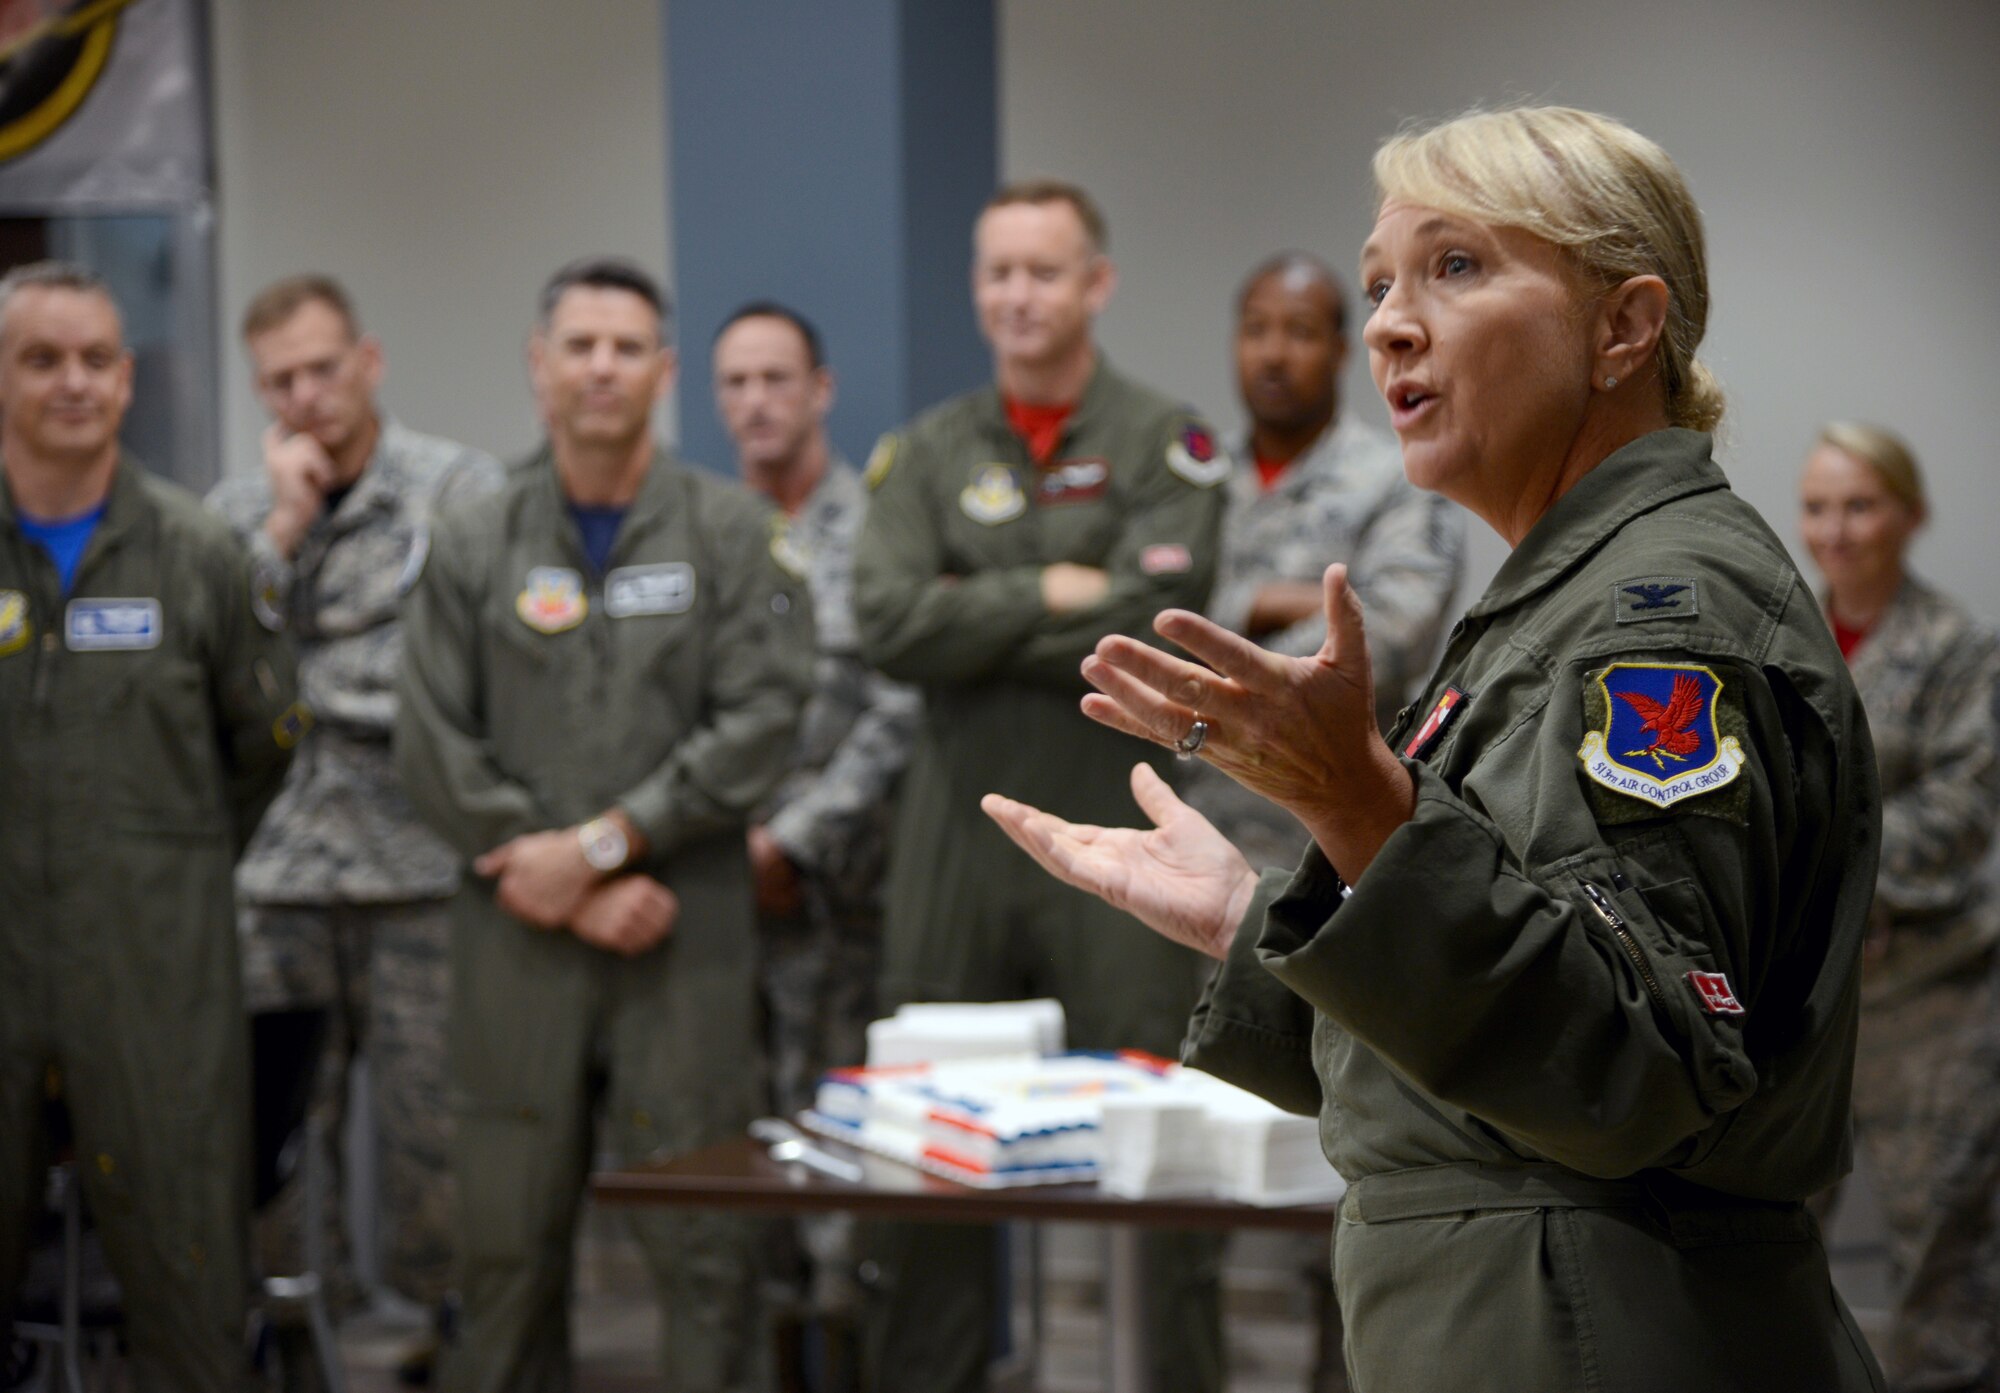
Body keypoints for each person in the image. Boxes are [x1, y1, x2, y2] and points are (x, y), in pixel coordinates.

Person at [985, 108, 1888, 1391]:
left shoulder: (1659, 621)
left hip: (1596, 1325)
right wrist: (1255, 920)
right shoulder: (1565, 593)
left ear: (1622, 327)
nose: (1385, 326)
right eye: (1378, 285)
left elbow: (1642, 1066)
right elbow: (1480, 1036)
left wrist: (1358, 804)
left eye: (1454, 267)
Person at [394, 258, 815, 1392]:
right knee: (504, 1255)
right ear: (538, 366)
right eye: (577, 345)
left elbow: (761, 718)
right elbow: (430, 737)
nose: (600, 367)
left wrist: (599, 845)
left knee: (704, 1253)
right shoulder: (473, 538)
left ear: (663, 372)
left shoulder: (730, 533)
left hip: (682, 937)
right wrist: (560, 877)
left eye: (626, 347)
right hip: (515, 941)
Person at [852, 179, 1230, 1393]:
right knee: (929, 1155)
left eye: (1042, 271)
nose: (1015, 295)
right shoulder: (922, 452)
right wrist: (1057, 590)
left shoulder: (1164, 441)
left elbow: (1151, 616)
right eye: (996, 271)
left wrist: (975, 604)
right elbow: (888, 623)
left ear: (1095, 284)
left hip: (1118, 818)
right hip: (955, 835)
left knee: (1154, 1150)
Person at [0, 261, 302, 1390]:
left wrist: (163, 861)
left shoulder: (198, 553)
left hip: (154, 973)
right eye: (41, 359)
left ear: (127, 381)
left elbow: (266, 738)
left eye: (94, 361)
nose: (72, 383)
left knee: (187, 1280)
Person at [205, 274, 503, 1353]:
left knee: (434, 1128)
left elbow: (472, 667)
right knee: (281, 1135)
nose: (306, 396)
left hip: (417, 866)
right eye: (279, 380)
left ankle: (445, 1329)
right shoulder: (235, 515)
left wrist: (327, 692)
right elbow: (213, 672)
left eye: (322, 369)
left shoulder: (457, 489)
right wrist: (282, 529)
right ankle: (294, 1326)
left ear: (367, 362)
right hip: (277, 877)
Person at [711, 301, 920, 1351]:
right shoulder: (706, 536)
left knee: (845, 1153)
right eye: (735, 383)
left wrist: (793, 838)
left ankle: (848, 1353)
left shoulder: (876, 532)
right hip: (719, 909)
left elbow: (897, 707)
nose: (755, 402)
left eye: (775, 380)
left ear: (819, 391)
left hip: (839, 905)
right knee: (741, 1157)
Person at [1799, 422, 2000, 1391]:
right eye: (1816, 507)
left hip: (1929, 996)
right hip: (1800, 997)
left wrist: (1817, 852)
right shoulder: (1775, 636)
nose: (1833, 531)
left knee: (1941, 1262)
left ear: (1908, 516)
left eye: (1859, 505)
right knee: (1769, 1245)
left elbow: (1962, 815)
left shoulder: (1957, 650)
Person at [1190, 252, 1463, 885]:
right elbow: (1134, 611)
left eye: (1300, 332)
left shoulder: (1397, 478)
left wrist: (1214, 658)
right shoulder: (1193, 482)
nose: (1274, 354)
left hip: (1326, 843)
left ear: (1342, 349)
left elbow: (1392, 633)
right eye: (1256, 330)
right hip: (1192, 821)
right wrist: (1259, 605)